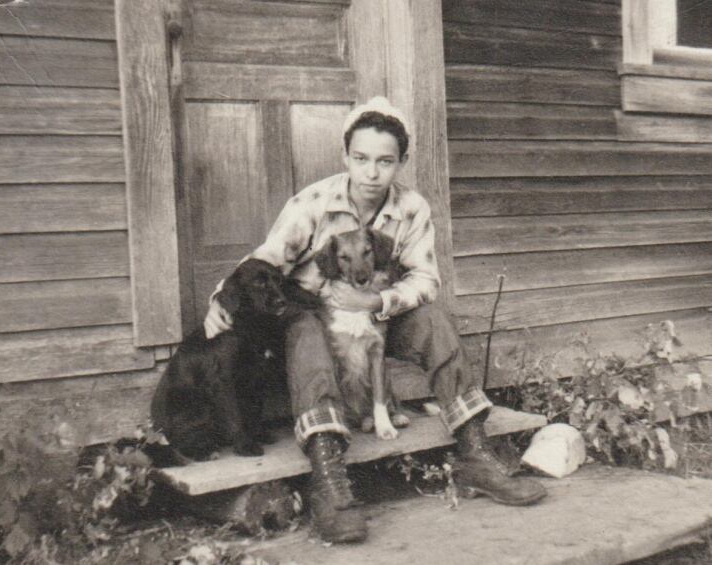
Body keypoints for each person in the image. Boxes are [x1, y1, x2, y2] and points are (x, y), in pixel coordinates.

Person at [204, 97, 547, 543]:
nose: (371, 172)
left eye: (385, 161)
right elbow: (266, 260)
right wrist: (222, 298)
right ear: (346, 156)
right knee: (305, 333)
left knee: (433, 319)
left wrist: (377, 302)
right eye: (361, 159)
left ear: (401, 162)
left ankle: (475, 455)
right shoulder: (313, 202)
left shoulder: (412, 209)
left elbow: (425, 279)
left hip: (379, 309)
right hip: (314, 308)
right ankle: (329, 480)